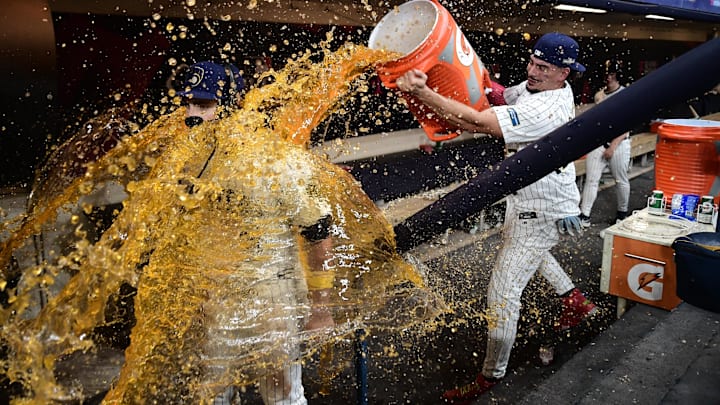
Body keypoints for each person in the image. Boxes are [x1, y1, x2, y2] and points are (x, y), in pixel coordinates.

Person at [395, 32, 598, 402]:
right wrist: (470, 70)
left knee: (502, 296)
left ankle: (491, 375)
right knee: (531, 254)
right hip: (533, 200)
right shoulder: (537, 87)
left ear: (563, 75)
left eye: (544, 68)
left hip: (541, 210)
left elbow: (478, 122)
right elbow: (505, 94)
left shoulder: (547, 108)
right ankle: (574, 301)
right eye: (532, 63)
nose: (532, 71)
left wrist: (424, 93)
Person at [578, 60, 632, 227]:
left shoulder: (625, 93)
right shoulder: (599, 95)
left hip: (620, 142)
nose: (608, 77)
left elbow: (627, 124)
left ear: (617, 75)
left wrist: (613, 146)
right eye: (607, 74)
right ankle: (584, 215)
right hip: (599, 141)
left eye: (612, 74)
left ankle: (622, 213)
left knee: (620, 179)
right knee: (592, 179)